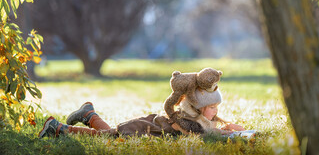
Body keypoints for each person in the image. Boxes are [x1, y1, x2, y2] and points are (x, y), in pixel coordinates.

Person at [38, 88, 245, 138]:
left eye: (216, 107)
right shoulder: (188, 120)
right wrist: (225, 133)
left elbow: (209, 128)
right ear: (199, 108)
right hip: (144, 128)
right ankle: (59, 128)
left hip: (149, 126)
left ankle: (89, 115)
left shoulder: (201, 119)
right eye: (211, 107)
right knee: (110, 135)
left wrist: (228, 128)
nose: (215, 112)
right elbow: (197, 134)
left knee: (111, 133)